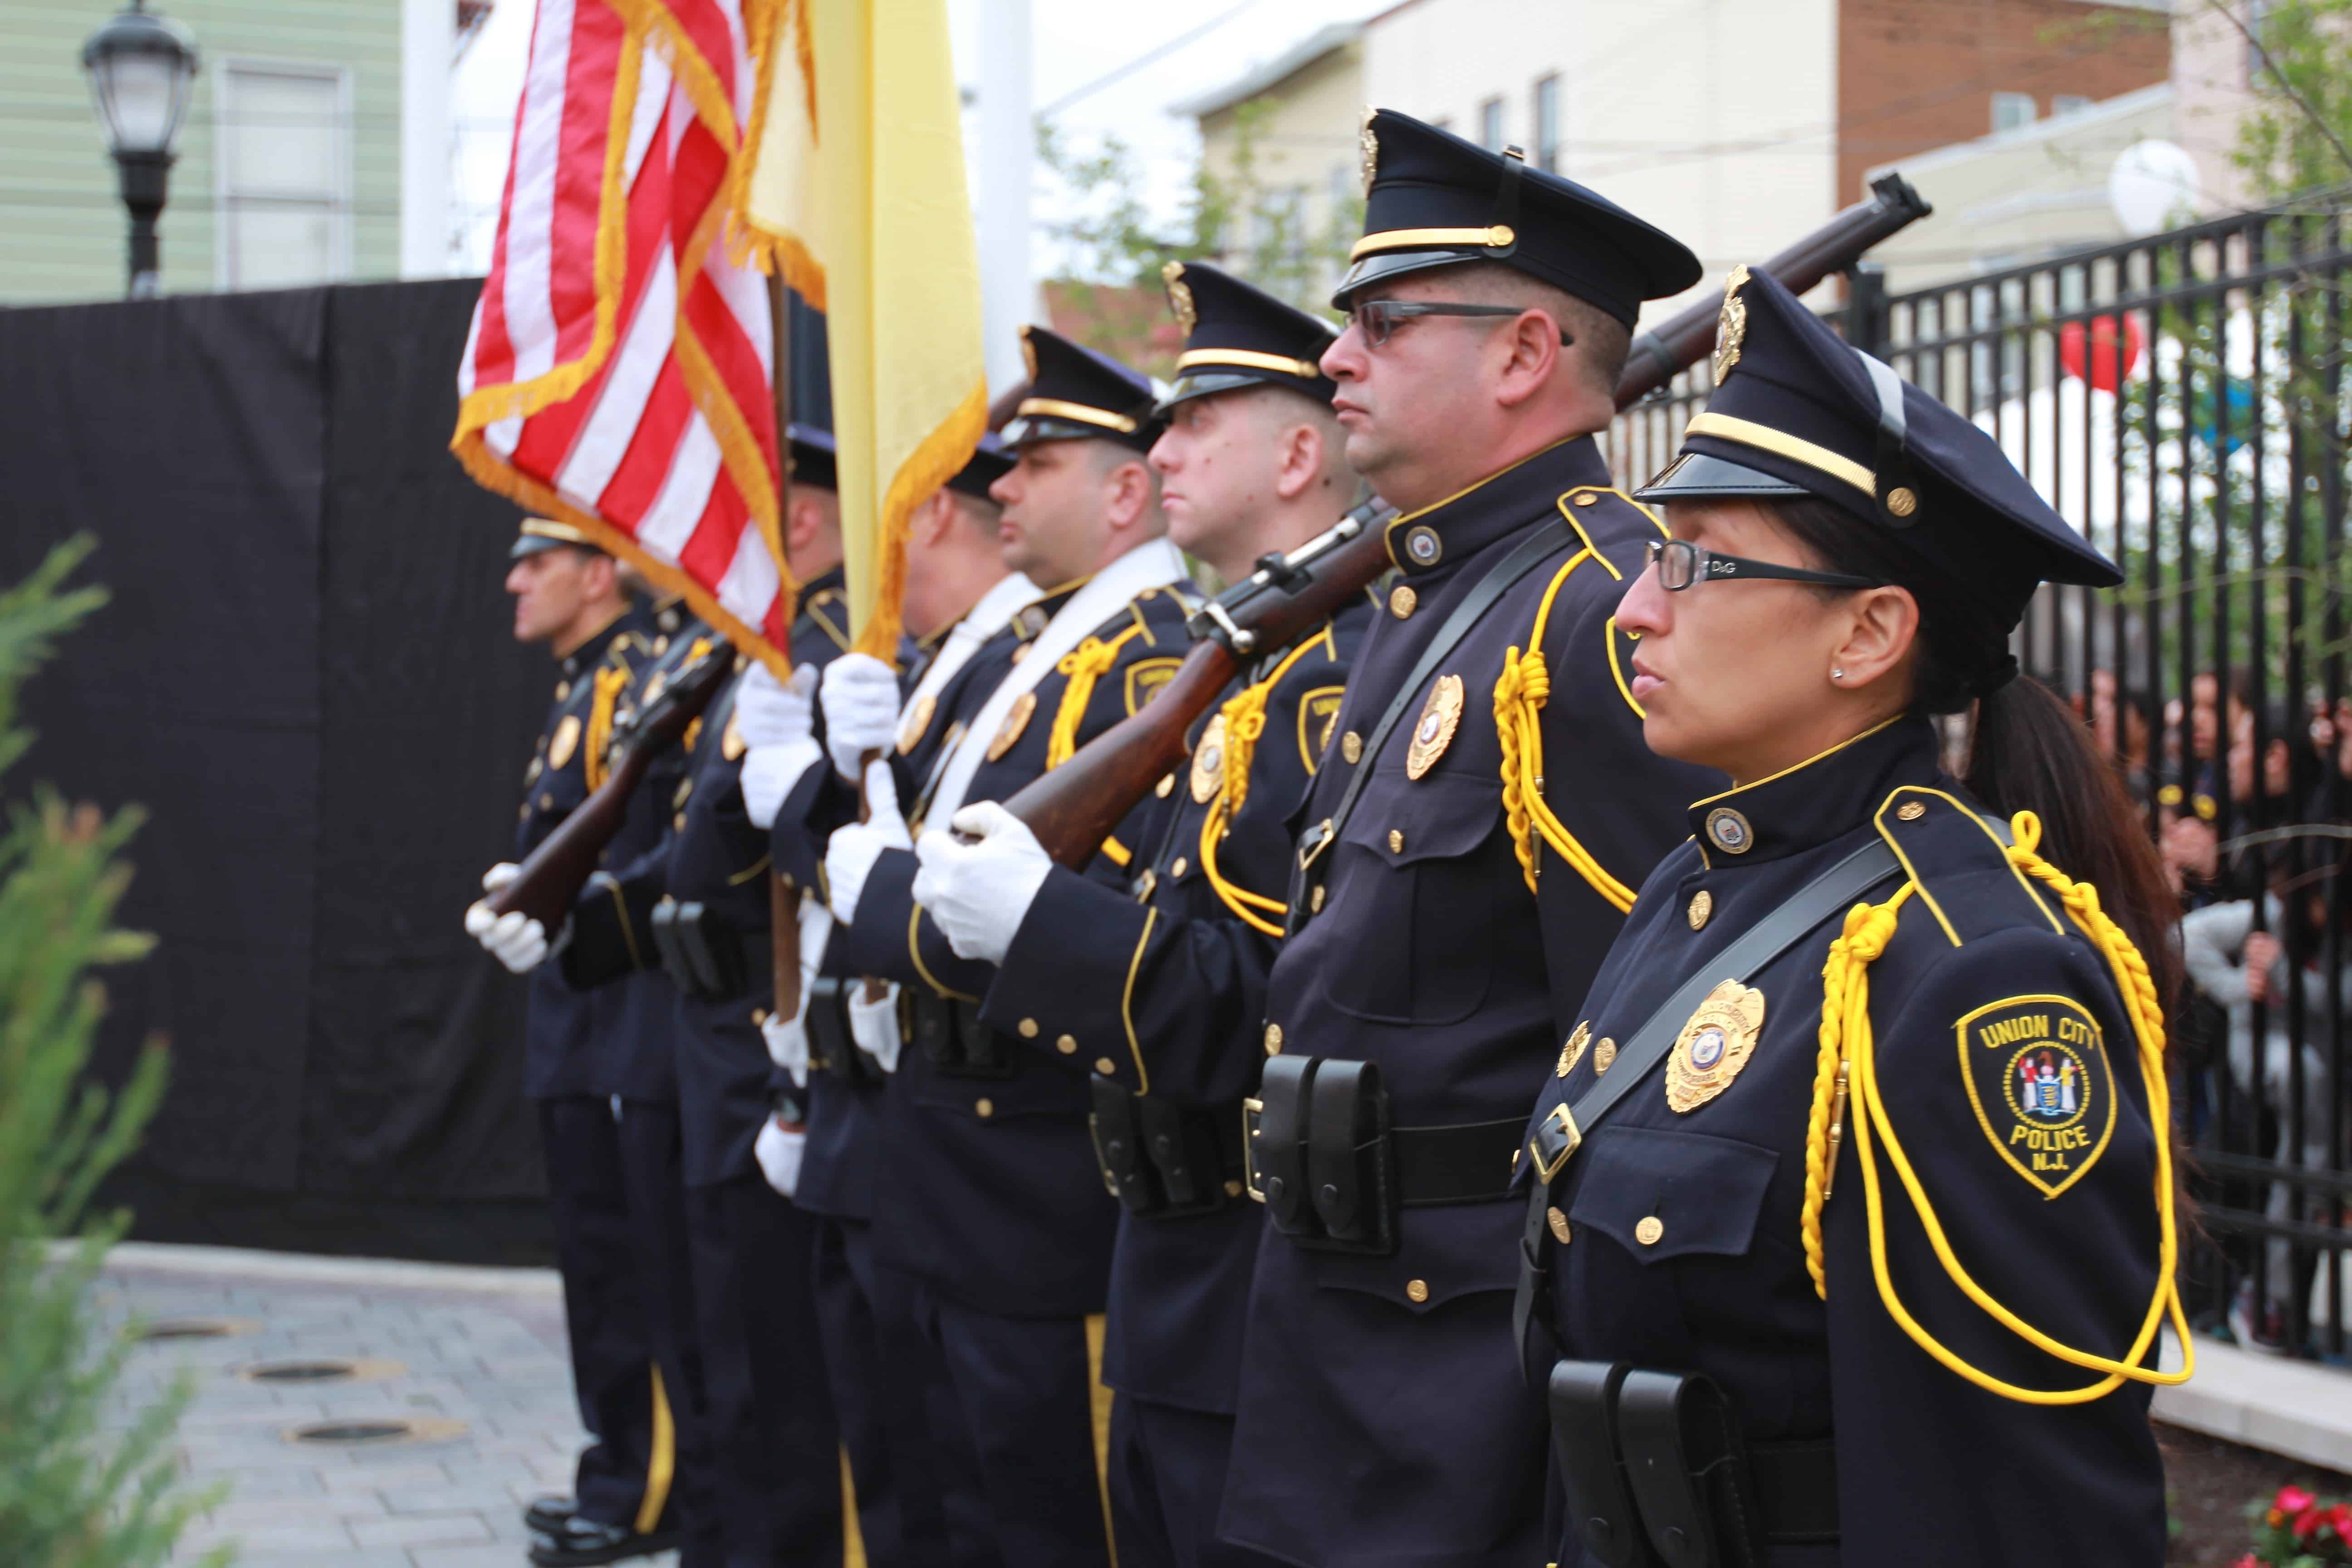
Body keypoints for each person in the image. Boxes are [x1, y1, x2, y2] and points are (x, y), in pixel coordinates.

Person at [1517, 264, 2190, 1566]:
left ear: (1870, 633)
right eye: (1653, 552)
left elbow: (2020, 1509)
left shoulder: (1972, 972)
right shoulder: (1697, 887)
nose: (1636, 604)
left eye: (1692, 560)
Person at [1205, 111, 1713, 1568]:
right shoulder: (1434, 601)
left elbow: (1643, 1083)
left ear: (1522, 354)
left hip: (1468, 1386)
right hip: (1340, 1335)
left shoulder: (1599, 615)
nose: (1334, 359)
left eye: (1381, 322)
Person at [915, 263, 1371, 1568]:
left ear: (1298, 456)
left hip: (1247, 1259)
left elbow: (1270, 993)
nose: (1160, 450)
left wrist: (1034, 923)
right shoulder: (1247, 662)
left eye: (1195, 424)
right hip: (1162, 1246)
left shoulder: (1330, 678)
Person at [819, 327, 1196, 1568]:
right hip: (949, 1155)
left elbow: (1090, 915)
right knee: (963, 1507)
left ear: (1125, 492)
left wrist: (890, 908)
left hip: (1037, 1172)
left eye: (1037, 464)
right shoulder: (1042, 644)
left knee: (1050, 1518)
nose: (1005, 485)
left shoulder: (1150, 656)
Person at [480, 427, 853, 1568]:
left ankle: (677, 1505)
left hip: (751, 1036)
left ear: (797, 518)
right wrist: (570, 917)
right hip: (695, 1034)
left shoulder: (825, 651)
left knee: (767, 1360)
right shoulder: (719, 656)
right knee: (716, 1335)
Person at [737, 434, 1029, 1568]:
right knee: (894, 1454)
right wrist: (811, 789)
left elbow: (942, 897)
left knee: (954, 1484)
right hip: (863, 1092)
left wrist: (829, 788)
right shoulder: (944, 664)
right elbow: (840, 876)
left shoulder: (1026, 666)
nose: (1015, 492)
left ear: (936, 514)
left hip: (962, 1121)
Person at [470, 519, 684, 1567]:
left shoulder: (634, 680)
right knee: (596, 1264)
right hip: (576, 1013)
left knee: (633, 1263)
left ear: (601, 575)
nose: (518, 580)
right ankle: (619, 1467)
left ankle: (649, 1485)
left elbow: (641, 856)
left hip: (621, 1018)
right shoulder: (585, 682)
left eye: (541, 562)